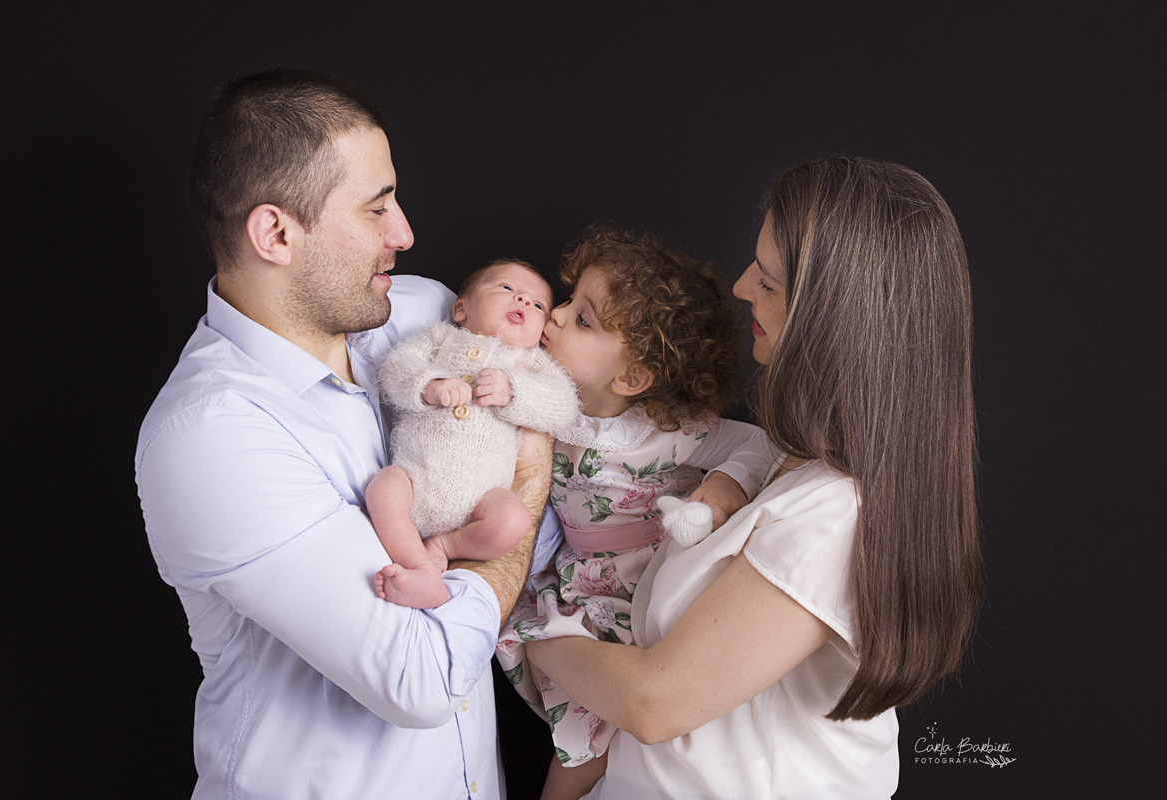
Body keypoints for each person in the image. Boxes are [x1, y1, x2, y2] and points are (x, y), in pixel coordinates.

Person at [135, 69, 550, 799]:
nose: (404, 234)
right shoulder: (211, 435)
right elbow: (424, 678)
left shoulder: (422, 312)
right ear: (276, 233)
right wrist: (530, 476)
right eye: (375, 208)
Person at [524, 158, 982, 799]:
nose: (741, 287)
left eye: (767, 281)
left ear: (831, 319)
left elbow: (653, 703)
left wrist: (530, 634)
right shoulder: (788, 461)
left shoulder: (834, 515)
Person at [495, 226, 776, 800]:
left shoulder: (672, 432)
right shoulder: (541, 396)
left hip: (635, 593)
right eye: (569, 301)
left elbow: (763, 446)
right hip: (571, 577)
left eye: (582, 320)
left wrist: (724, 485)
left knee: (588, 735)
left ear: (630, 377)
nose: (555, 314)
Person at [368, 259, 579, 608]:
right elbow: (397, 367)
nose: (524, 301)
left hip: (481, 504)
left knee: (513, 522)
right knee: (383, 488)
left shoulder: (532, 364)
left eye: (538, 305)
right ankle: (420, 568)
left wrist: (515, 391)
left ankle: (443, 547)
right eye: (508, 288)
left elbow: (563, 405)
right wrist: (429, 385)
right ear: (461, 309)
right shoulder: (439, 337)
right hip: (414, 481)